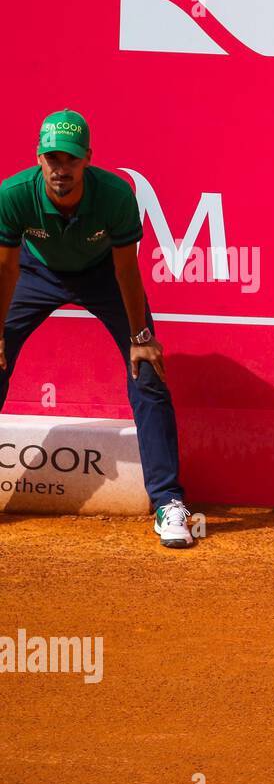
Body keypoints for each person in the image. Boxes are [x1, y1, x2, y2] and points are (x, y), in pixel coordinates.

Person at [0, 110, 193, 548]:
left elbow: (127, 270)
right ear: (38, 157)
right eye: (51, 158)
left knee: (148, 373)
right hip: (35, 272)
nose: (60, 169)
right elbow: (6, 270)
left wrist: (140, 339)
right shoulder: (13, 195)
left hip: (104, 275)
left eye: (69, 159)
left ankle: (167, 501)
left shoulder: (115, 196)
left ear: (87, 158)